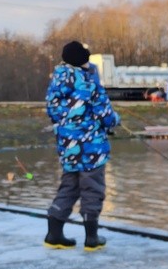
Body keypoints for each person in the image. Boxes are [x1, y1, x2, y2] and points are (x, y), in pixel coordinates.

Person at [43, 40, 120, 252]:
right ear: (82, 61)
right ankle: (92, 238)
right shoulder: (89, 83)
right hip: (91, 149)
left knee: (69, 186)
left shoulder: (57, 83)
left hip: (68, 147)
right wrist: (115, 120)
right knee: (92, 188)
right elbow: (106, 116)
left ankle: (54, 234)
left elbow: (53, 112)